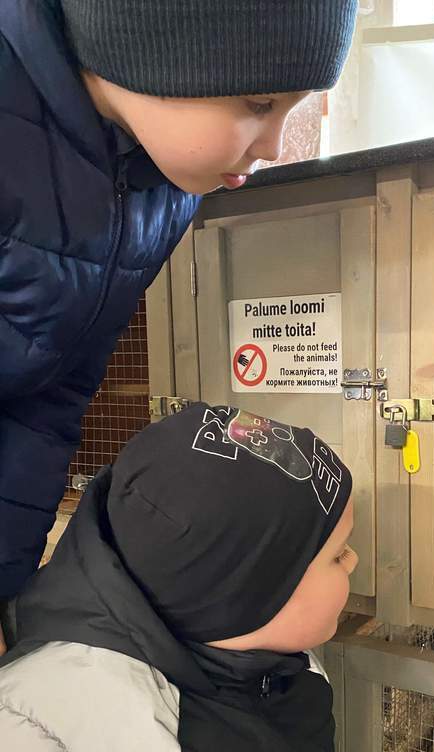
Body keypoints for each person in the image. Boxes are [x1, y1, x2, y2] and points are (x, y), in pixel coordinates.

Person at [0, 0, 358, 651]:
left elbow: (54, 394)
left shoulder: (165, 186)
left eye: (293, 108)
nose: (276, 147)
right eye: (259, 102)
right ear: (153, 45)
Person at [0, 403, 372, 752]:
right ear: (245, 592)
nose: (354, 561)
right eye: (337, 554)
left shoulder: (283, 670)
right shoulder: (46, 733)